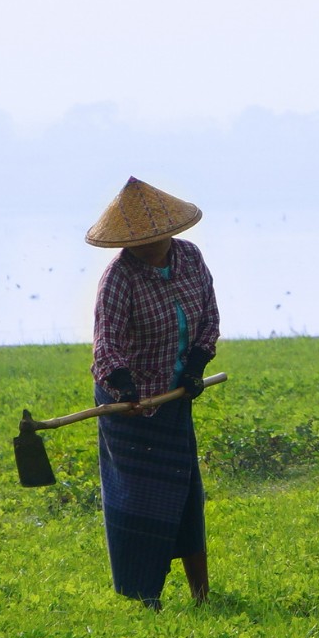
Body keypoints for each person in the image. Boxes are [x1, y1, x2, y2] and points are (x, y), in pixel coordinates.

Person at [86, 177, 220, 608]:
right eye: (136, 242)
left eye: (152, 239)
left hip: (173, 396)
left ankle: (201, 595)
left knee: (185, 493)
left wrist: (196, 367)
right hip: (126, 405)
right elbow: (106, 345)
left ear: (169, 233)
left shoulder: (190, 260)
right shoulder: (119, 278)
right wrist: (125, 388)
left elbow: (208, 319)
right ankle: (145, 598)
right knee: (139, 502)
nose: (145, 247)